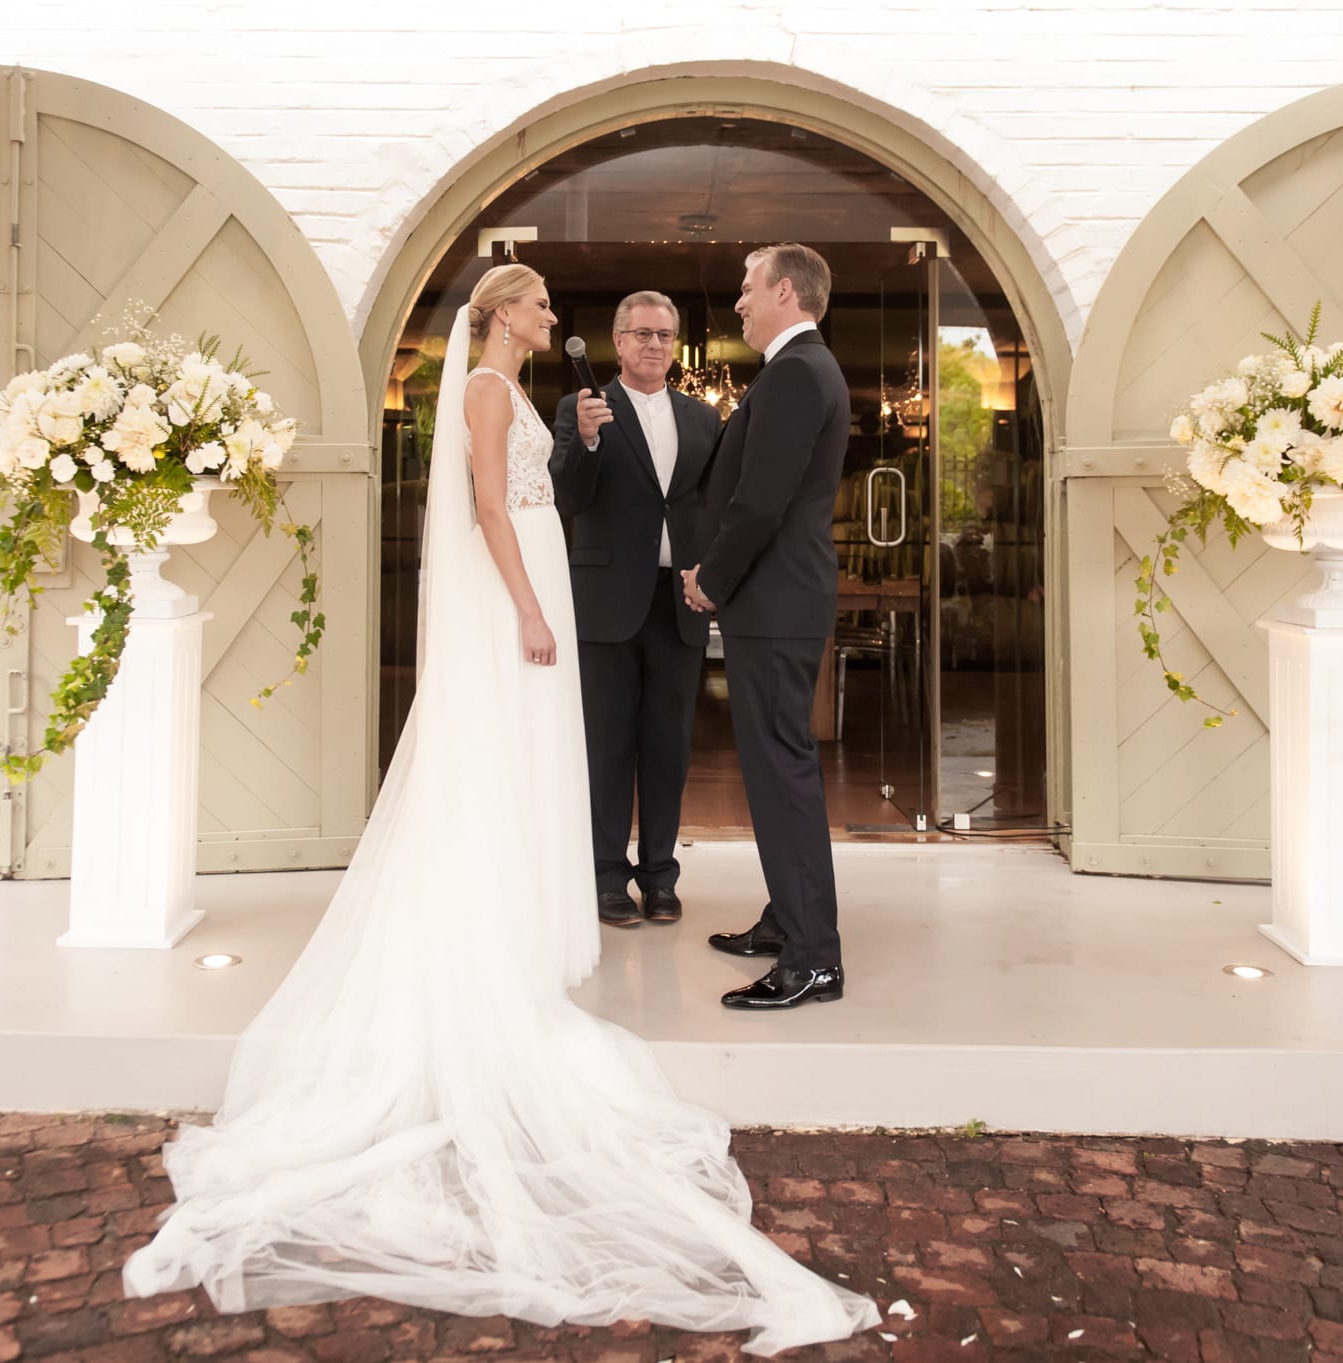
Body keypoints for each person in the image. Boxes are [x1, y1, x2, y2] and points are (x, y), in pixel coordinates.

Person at [122, 264, 877, 1356]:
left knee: (703, 763)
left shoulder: (730, 395)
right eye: (545, 306)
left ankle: (783, 930)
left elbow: (740, 497)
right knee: (586, 764)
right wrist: (543, 576)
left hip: (690, 599)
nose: (563, 319)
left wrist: (703, 571)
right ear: (502, 315)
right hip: (559, 600)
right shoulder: (520, 397)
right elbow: (515, 501)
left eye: (743, 290)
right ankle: (732, 918)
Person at [681, 244, 853, 1012]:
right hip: (779, 603)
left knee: (782, 776)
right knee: (774, 773)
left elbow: (761, 500)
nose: (740, 302)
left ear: (785, 290)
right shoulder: (803, 368)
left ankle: (813, 959)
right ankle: (788, 918)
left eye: (749, 288)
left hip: (775, 604)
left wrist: (710, 578)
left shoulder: (795, 373)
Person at [550, 290, 720, 929]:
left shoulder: (703, 419)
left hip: (679, 601)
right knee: (608, 747)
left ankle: (660, 876)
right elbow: (566, 497)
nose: (654, 344)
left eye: (664, 335)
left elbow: (710, 507)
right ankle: (606, 878)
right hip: (606, 603)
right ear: (618, 342)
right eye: (642, 333)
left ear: (675, 345)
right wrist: (587, 441)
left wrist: (715, 576)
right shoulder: (583, 407)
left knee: (669, 748)